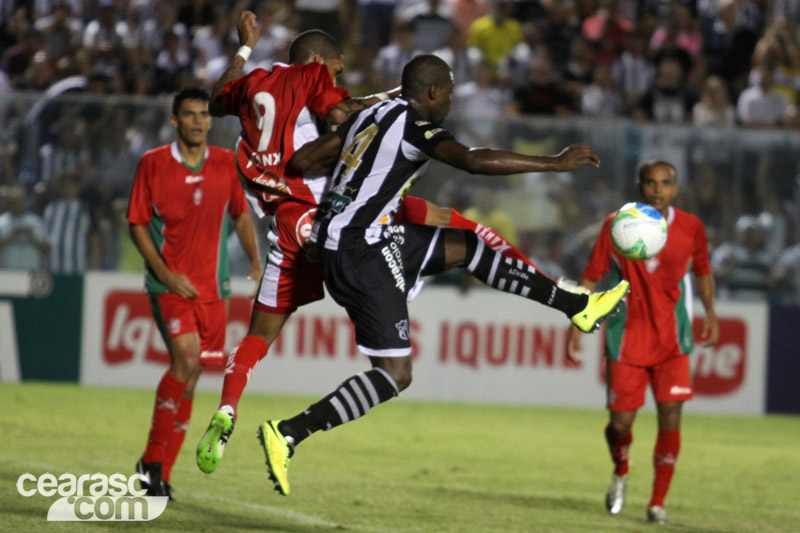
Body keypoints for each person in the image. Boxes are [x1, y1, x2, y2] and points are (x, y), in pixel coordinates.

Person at [193, 13, 570, 477]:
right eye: (336, 69)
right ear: (316, 61)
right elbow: (340, 115)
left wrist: (246, 46)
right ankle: (412, 287)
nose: (336, 78)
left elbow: (214, 100)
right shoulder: (313, 76)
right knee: (422, 227)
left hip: (283, 226)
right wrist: (388, 98)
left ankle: (227, 412)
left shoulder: (254, 81)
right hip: (325, 216)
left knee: (256, 337)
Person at [256, 54, 630, 496]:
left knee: (469, 247)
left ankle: (578, 306)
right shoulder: (414, 124)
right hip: (362, 251)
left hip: (359, 238)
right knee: (395, 374)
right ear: (432, 92)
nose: (451, 99)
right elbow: (472, 160)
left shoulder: (373, 113)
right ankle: (290, 433)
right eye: (449, 92)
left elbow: (303, 160)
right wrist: (553, 162)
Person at [566, 160, 719, 524]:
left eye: (665, 183)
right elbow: (591, 275)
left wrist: (711, 312)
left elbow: (703, 271)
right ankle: (621, 470)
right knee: (620, 425)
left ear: (675, 188)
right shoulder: (616, 225)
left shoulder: (692, 227)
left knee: (671, 416)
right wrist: (575, 323)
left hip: (673, 339)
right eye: (651, 183)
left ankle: (657, 503)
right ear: (640, 187)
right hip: (625, 338)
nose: (658, 189)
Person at [128, 86, 261, 498]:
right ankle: (152, 459)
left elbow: (241, 214)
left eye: (204, 113)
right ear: (175, 120)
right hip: (171, 287)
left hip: (213, 290)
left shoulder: (224, 164)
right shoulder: (153, 164)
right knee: (184, 361)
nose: (199, 120)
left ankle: (161, 475)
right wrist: (166, 275)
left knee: (192, 378)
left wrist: (256, 260)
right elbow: (135, 223)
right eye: (190, 114)